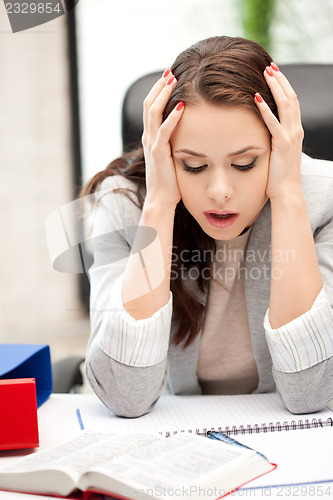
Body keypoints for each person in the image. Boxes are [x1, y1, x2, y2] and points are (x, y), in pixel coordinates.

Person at [82, 36, 333, 418]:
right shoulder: (124, 205)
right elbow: (124, 397)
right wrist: (160, 205)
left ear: (281, 145)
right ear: (163, 152)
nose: (219, 191)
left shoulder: (324, 200)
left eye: (245, 163)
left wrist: (287, 196)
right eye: (193, 166)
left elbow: (311, 393)